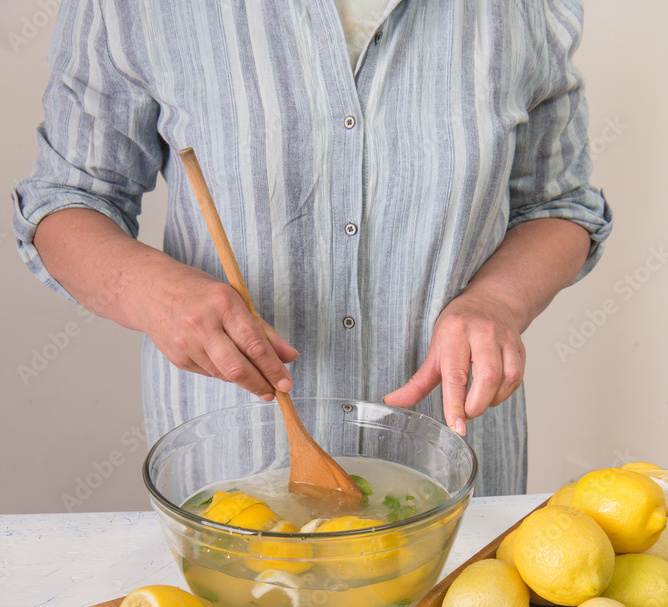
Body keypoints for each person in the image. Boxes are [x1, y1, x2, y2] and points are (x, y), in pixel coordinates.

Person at [12, 0, 612, 496]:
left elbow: (558, 207)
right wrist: (154, 294)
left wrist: (498, 302)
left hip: (453, 472)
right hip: (234, 475)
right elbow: (67, 200)